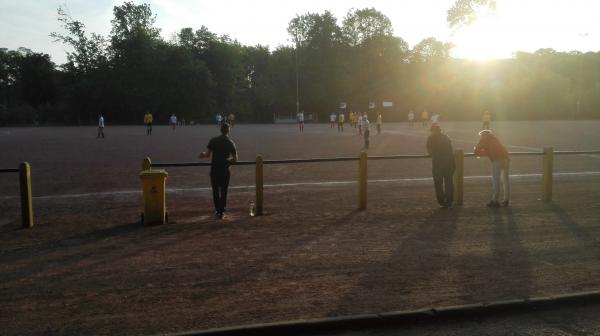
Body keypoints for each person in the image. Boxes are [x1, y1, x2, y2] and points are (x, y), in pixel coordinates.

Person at [199, 123, 238, 219]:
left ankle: (218, 210)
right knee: (224, 191)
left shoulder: (213, 140)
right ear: (228, 131)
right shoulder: (230, 142)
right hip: (225, 170)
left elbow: (207, 154)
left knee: (215, 191)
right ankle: (222, 210)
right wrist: (227, 161)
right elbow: (235, 158)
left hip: (214, 169)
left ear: (220, 130)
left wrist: (202, 154)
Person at [474, 130, 510, 207]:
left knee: (496, 181)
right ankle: (506, 199)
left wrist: (484, 153)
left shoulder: (484, 140)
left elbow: (476, 152)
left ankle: (495, 200)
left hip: (497, 160)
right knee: (505, 180)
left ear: (483, 135)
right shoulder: (495, 138)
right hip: (506, 158)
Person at [426, 124, 455, 208]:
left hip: (438, 164)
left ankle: (442, 201)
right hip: (449, 163)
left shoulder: (431, 138)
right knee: (449, 182)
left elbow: (430, 152)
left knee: (438, 183)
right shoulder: (446, 137)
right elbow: (451, 149)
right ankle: (449, 201)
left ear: (433, 131)